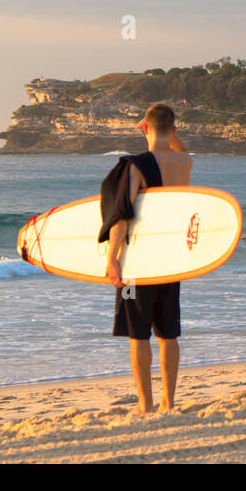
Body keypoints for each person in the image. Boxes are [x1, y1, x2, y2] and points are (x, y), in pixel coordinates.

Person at [103, 103, 192, 413]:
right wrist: (169, 133)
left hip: (139, 262)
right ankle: (169, 401)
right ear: (175, 130)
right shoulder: (185, 163)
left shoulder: (136, 165)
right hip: (172, 259)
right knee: (168, 333)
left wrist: (112, 258)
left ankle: (146, 403)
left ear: (144, 127)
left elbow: (122, 216)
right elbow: (180, 148)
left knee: (138, 334)